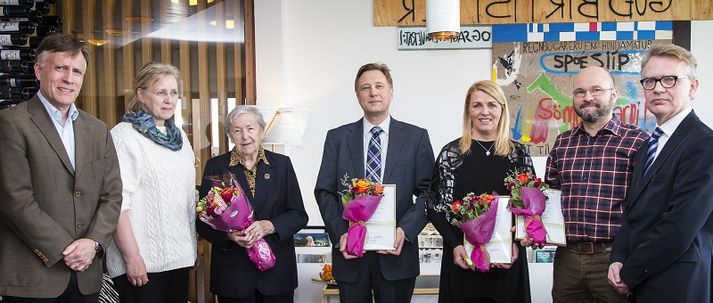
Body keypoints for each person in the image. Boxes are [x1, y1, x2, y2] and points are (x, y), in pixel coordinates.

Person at [0, 34, 122, 301]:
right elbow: (14, 200)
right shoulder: (11, 123)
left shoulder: (97, 129)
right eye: (61, 68)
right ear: (38, 69)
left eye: (77, 71)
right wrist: (66, 249)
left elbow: (112, 196)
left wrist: (94, 243)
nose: (69, 78)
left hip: (86, 278)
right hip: (34, 278)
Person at [314, 62, 434, 303]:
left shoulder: (416, 137)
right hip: (351, 256)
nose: (373, 92)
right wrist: (340, 235)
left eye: (379, 85)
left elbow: (429, 193)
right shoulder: (337, 138)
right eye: (365, 87)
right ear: (358, 95)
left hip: (396, 255)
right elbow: (324, 191)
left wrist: (405, 231)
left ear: (391, 91)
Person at [608, 44, 713, 302]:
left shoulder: (704, 144)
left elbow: (680, 226)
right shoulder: (647, 146)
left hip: (678, 282)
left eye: (670, 79)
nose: (657, 88)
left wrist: (629, 272)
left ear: (693, 87)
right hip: (643, 280)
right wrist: (618, 258)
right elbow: (633, 213)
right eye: (650, 81)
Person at [543, 66, 648, 302]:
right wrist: (530, 227)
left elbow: (647, 206)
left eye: (596, 90)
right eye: (580, 92)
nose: (588, 97)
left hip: (615, 259)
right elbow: (549, 195)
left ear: (613, 95)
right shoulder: (563, 143)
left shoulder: (638, 141)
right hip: (567, 258)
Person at [427, 80, 532, 303]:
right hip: (462, 262)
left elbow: (529, 209)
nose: (485, 112)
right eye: (477, 105)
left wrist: (516, 242)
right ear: (468, 110)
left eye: (492, 105)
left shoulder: (518, 154)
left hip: (508, 260)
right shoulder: (451, 154)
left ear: (502, 109)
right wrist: (455, 245)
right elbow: (435, 208)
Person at [105, 62, 198, 302]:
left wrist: (192, 249)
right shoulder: (124, 136)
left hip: (178, 259)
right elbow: (117, 203)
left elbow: (188, 199)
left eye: (174, 92)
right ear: (141, 95)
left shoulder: (179, 139)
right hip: (140, 265)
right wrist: (132, 257)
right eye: (161, 92)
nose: (169, 100)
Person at [196, 106, 308, 303]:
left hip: (277, 274)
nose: (245, 136)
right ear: (230, 135)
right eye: (237, 130)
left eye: (250, 128)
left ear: (261, 131)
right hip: (234, 275)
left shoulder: (282, 165)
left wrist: (269, 226)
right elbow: (203, 221)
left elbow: (298, 214)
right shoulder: (216, 167)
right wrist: (229, 236)